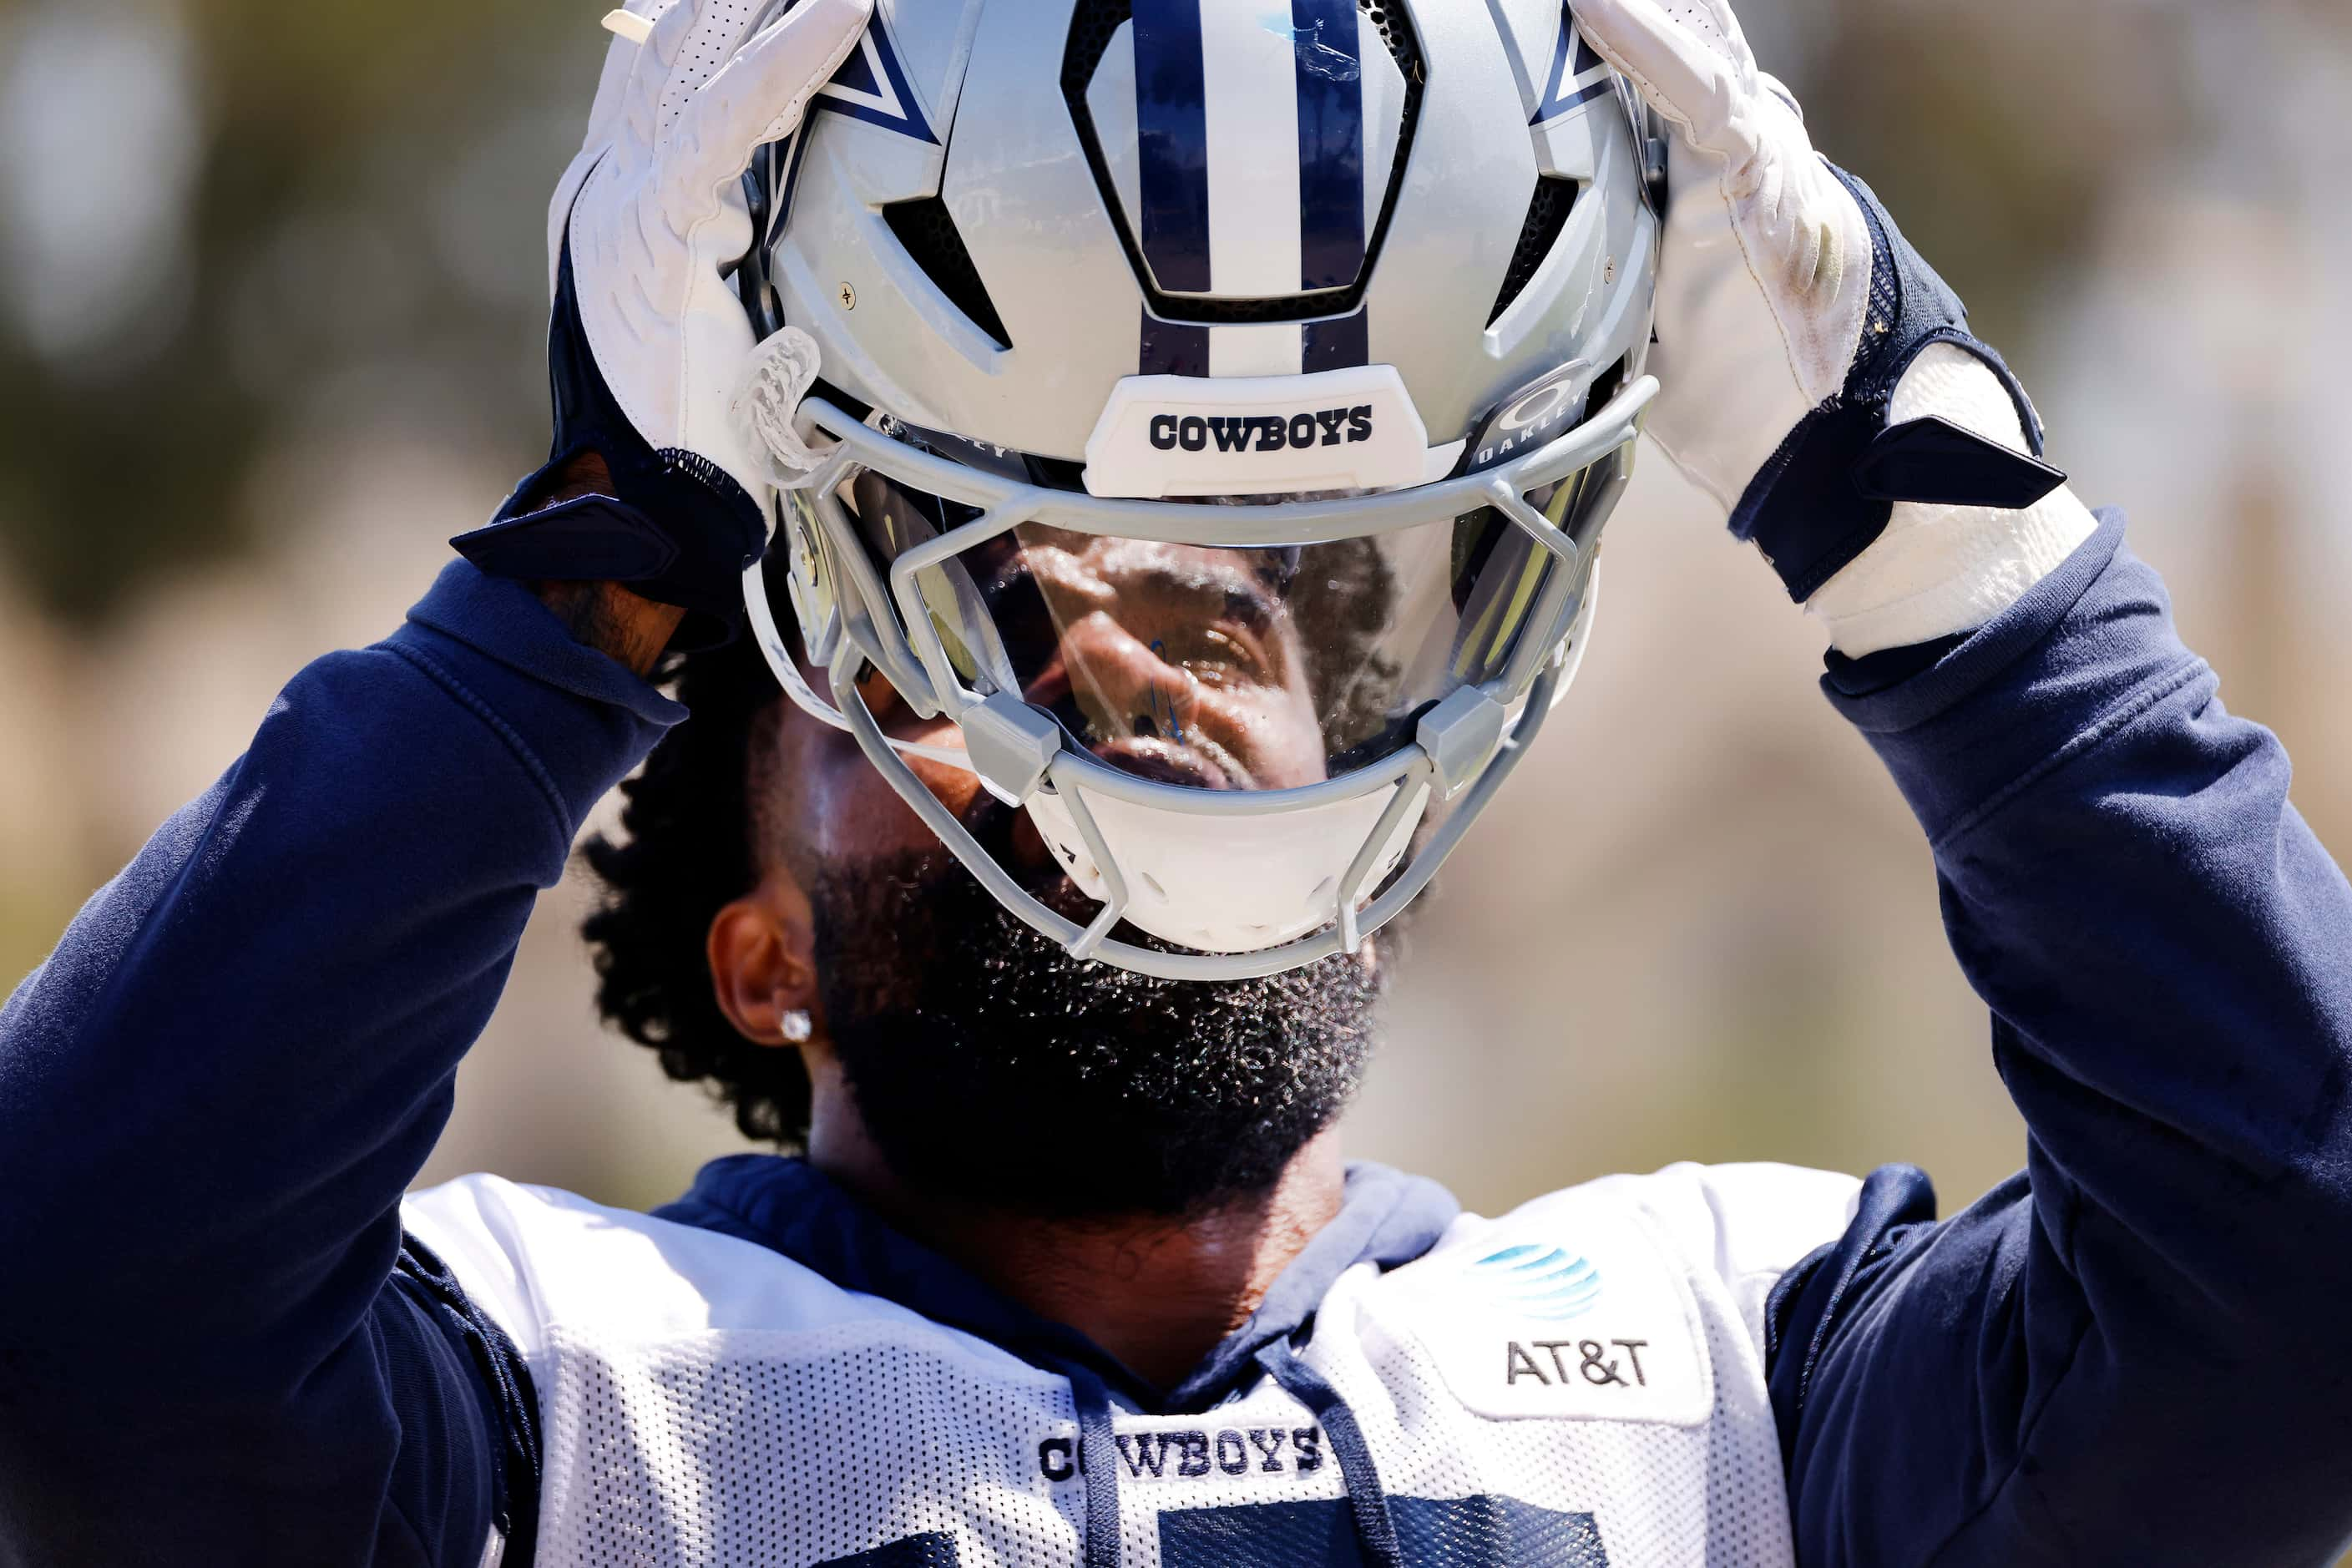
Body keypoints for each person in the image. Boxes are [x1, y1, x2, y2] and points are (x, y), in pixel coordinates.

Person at [3, 0, 2349, 1561]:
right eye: (981, 626)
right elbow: (74, 1308)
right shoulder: (560, 1406)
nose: (1122, 646)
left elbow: (2304, 1284)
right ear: (760, 939)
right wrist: (596, 553)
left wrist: (1925, 513)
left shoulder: (1750, 1368)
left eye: (1233, 609)